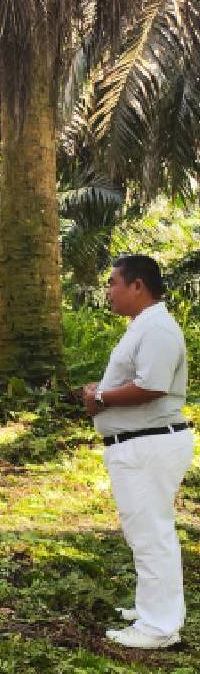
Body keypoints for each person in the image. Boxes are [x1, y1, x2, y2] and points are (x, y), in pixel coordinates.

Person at [81, 255, 193, 649]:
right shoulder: (145, 325)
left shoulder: (157, 328)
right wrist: (101, 392)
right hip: (140, 443)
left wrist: (101, 398)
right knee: (146, 531)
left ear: (137, 286)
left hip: (148, 444)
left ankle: (158, 628)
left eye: (113, 282)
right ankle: (154, 609)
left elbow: (152, 386)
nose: (108, 291)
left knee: (150, 535)